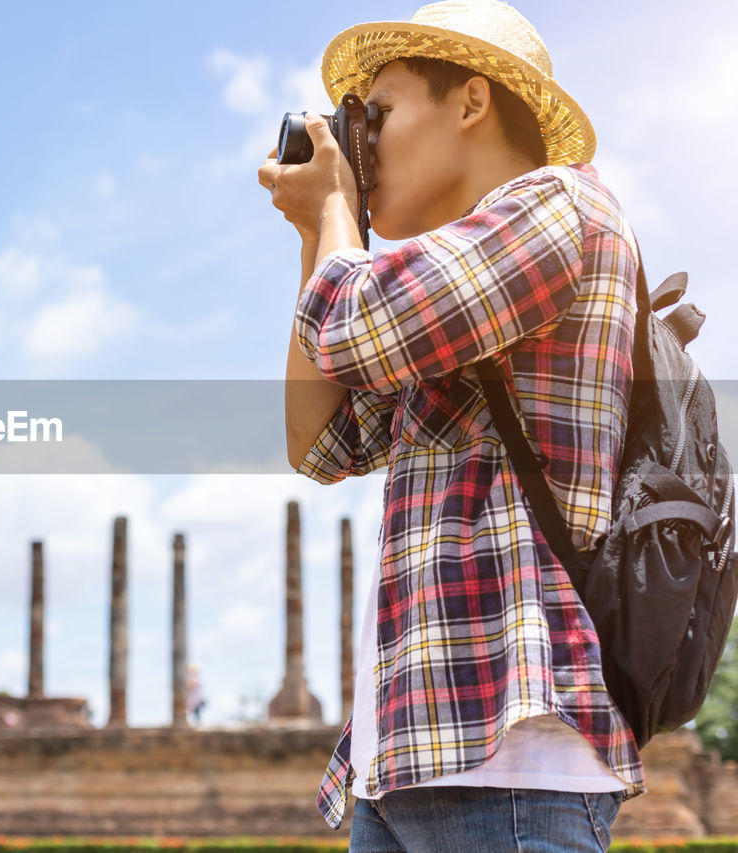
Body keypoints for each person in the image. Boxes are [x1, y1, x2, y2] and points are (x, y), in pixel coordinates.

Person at [258, 2, 643, 850]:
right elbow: (319, 440)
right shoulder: (446, 287)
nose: (363, 141)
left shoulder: (560, 206)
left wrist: (334, 214)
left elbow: (351, 326)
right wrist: (316, 229)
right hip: (410, 749)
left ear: (471, 103)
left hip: (514, 756)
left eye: (379, 114)